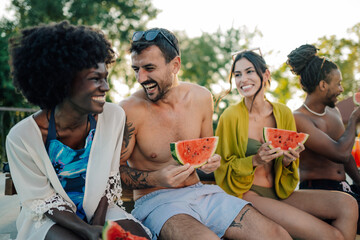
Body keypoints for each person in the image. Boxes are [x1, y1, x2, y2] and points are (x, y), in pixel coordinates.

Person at [119, 28, 292, 240]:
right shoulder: (128, 110)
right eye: (136, 69)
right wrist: (156, 177)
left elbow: (207, 154)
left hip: (204, 193)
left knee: (278, 235)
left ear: (175, 65)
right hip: (157, 201)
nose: (140, 78)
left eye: (149, 68)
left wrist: (212, 162)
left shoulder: (201, 98)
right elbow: (113, 174)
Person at [6, 21, 150, 240]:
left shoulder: (113, 117)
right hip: (48, 217)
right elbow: (42, 200)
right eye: (95, 79)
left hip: (98, 211)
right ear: (63, 81)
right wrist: (85, 231)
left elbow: (107, 184)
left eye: (105, 78)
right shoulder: (21, 137)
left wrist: (98, 227)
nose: (106, 87)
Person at [214, 49, 358, 240]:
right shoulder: (230, 116)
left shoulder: (283, 113)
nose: (243, 79)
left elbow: (288, 166)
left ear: (265, 75)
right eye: (237, 74)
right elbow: (222, 168)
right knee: (331, 236)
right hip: (249, 195)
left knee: (347, 204)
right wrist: (254, 161)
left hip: (281, 191)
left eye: (249, 72)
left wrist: (289, 161)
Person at [287, 43, 360, 233]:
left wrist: (359, 182)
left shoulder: (333, 111)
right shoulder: (299, 118)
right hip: (318, 191)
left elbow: (347, 153)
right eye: (338, 84)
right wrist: (354, 120)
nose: (342, 89)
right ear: (323, 85)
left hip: (344, 187)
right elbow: (340, 153)